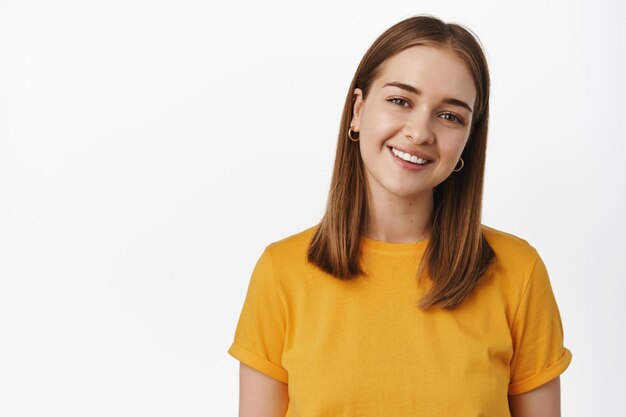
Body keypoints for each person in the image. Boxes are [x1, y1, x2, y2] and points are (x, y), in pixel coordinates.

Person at [227, 14, 572, 417]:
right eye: (400, 101)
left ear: (467, 140)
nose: (420, 131)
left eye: (450, 116)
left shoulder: (517, 272)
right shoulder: (280, 272)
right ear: (357, 111)